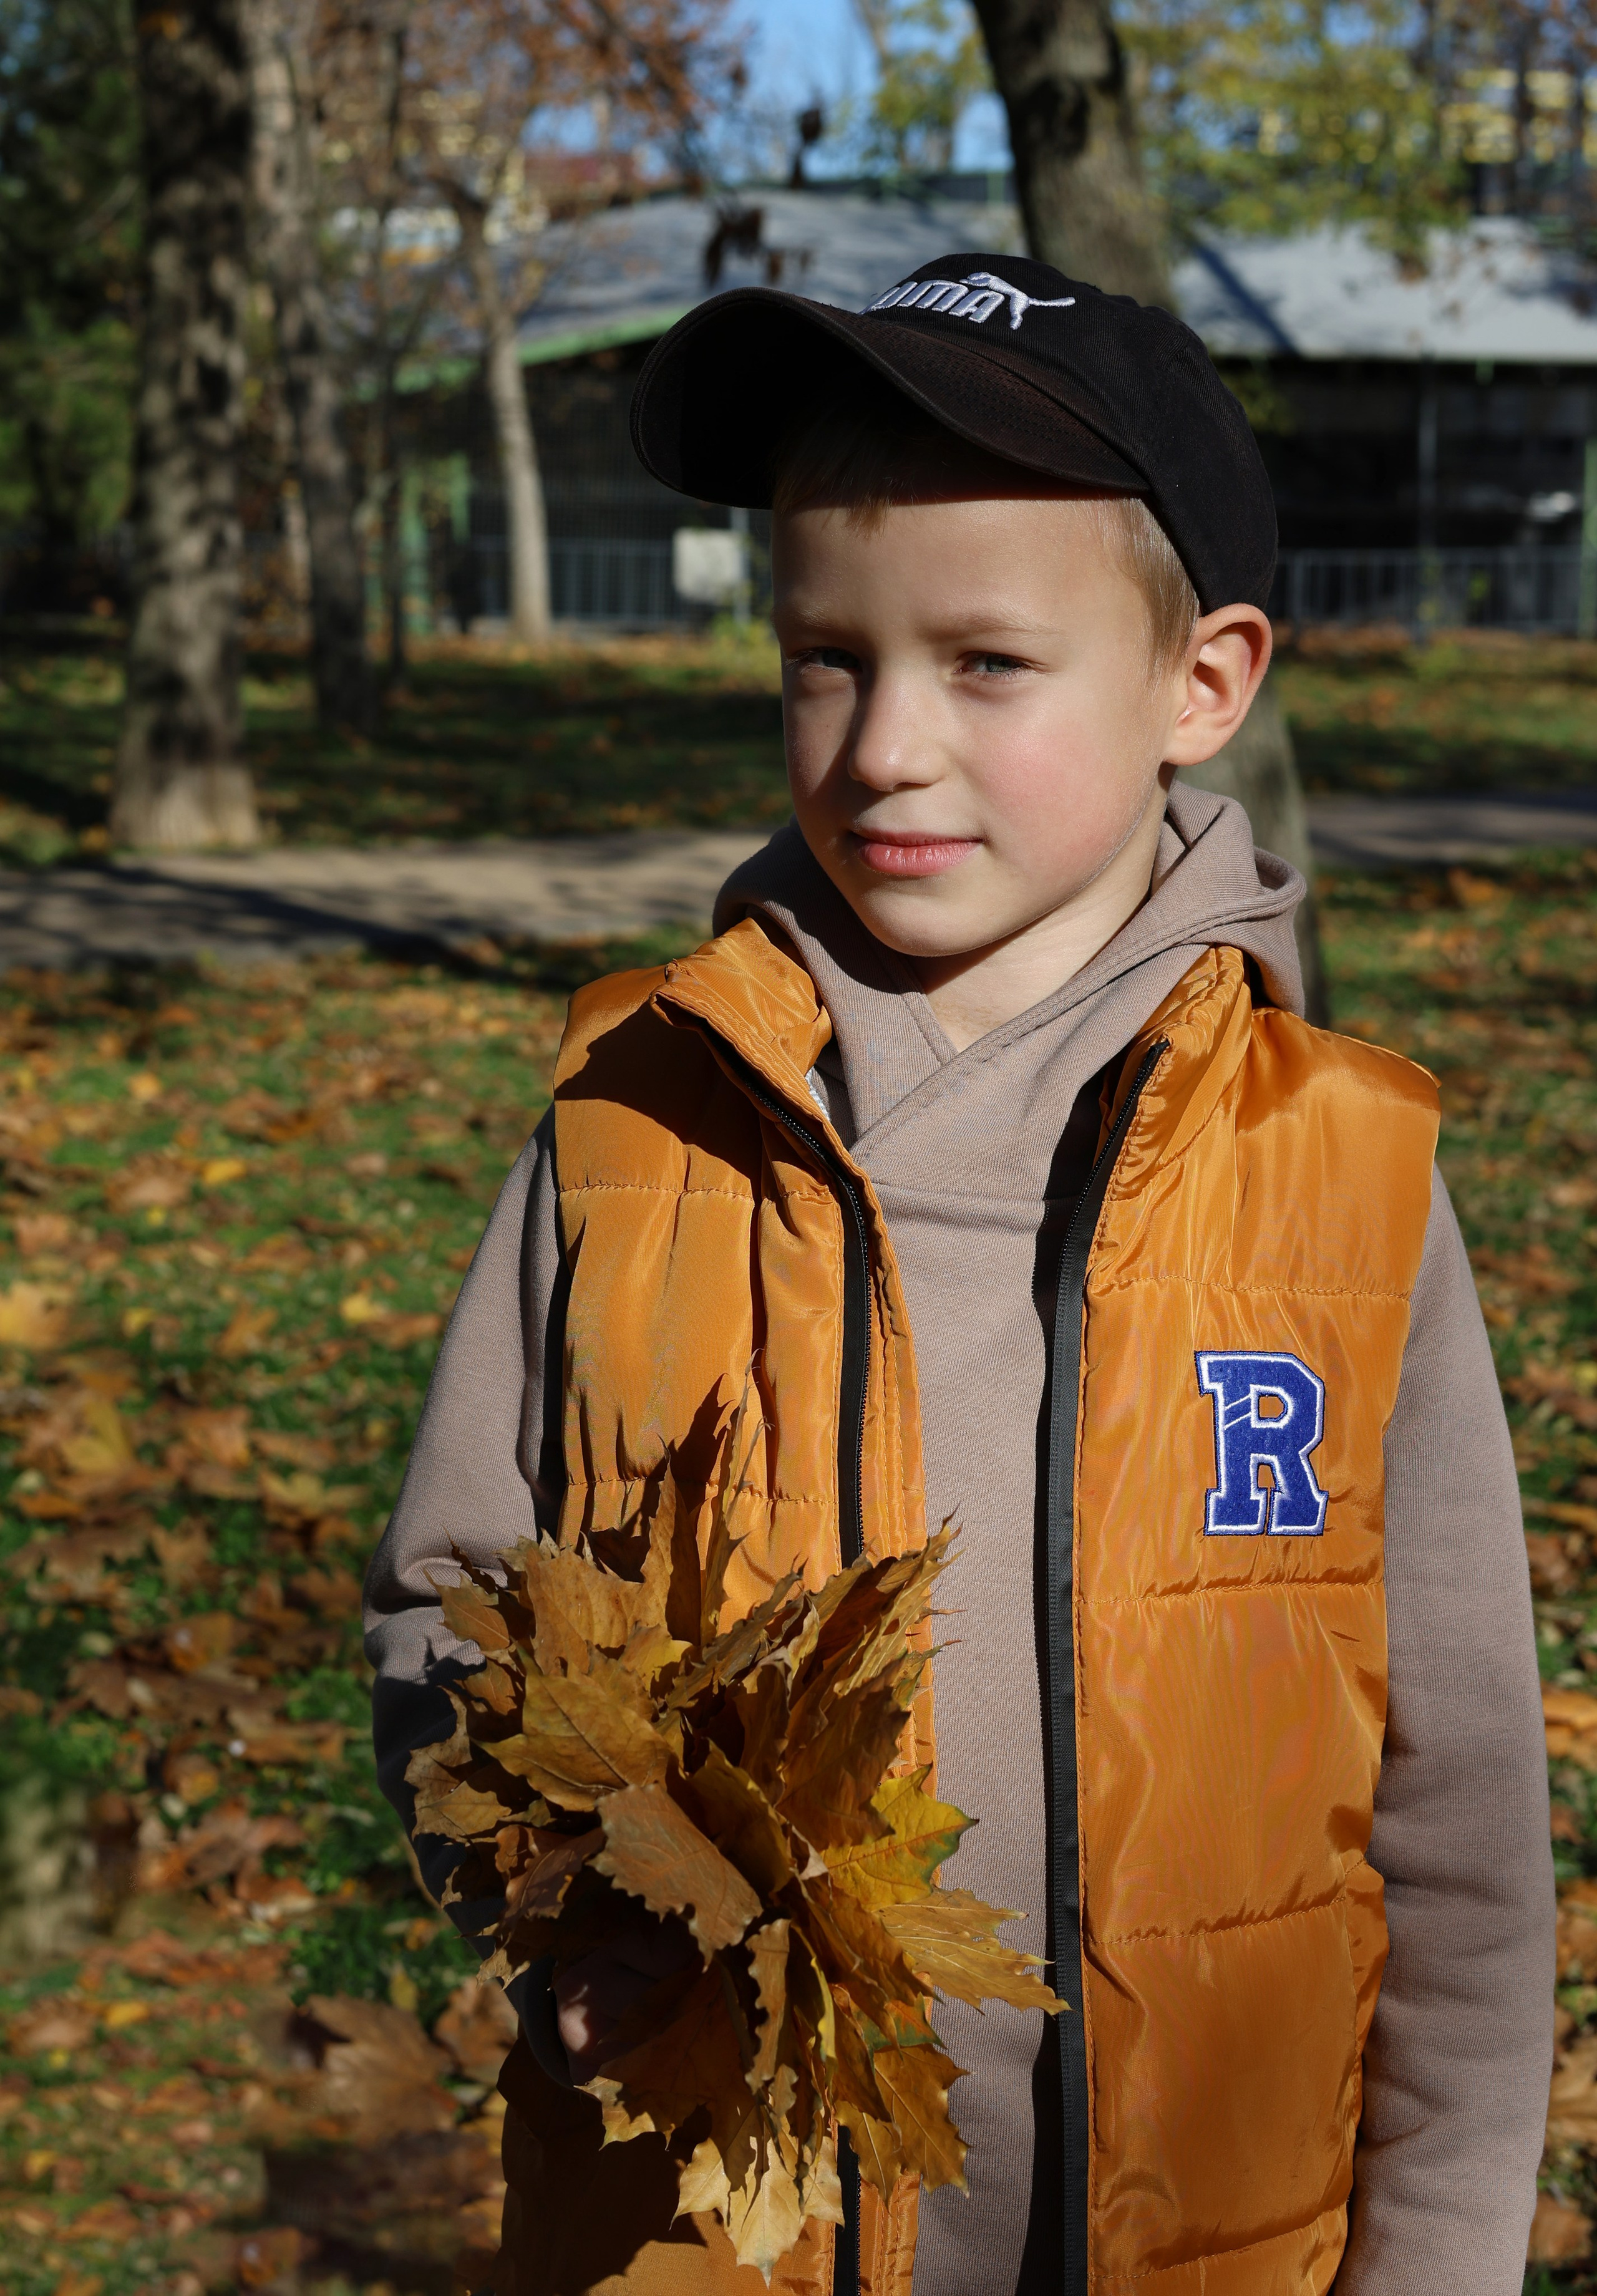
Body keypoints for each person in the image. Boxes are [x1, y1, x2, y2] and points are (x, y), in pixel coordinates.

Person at [364, 254, 1554, 2296]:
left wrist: (1438, 2257)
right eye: (828, 658)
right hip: (704, 2235)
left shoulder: (1345, 1186)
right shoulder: (633, 1129)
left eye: (988, 662)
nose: (886, 744)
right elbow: (451, 1605)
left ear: (1203, 684)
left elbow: (1463, 1828)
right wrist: (567, 1903)